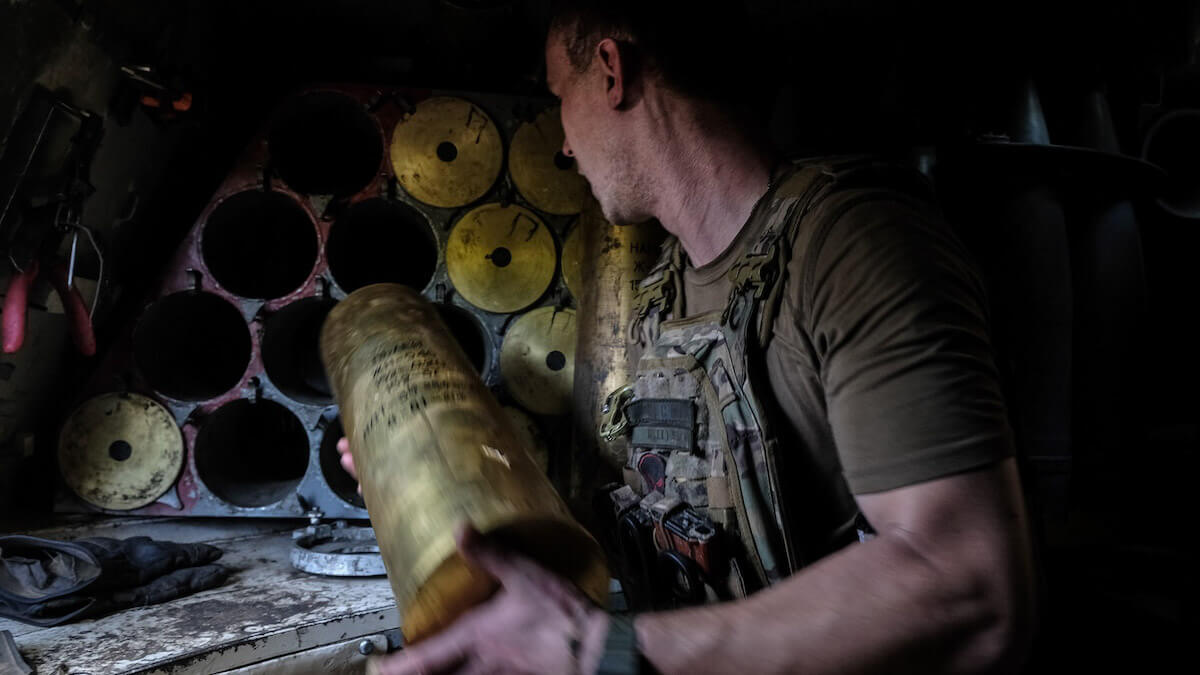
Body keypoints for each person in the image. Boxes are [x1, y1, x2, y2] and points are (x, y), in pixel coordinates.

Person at [338, 2, 1037, 672]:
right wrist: (419, 471)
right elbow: (665, 526)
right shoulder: (662, 294)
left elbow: (967, 588)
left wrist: (599, 652)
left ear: (611, 70)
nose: (561, 139)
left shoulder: (854, 246)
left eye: (560, 96)